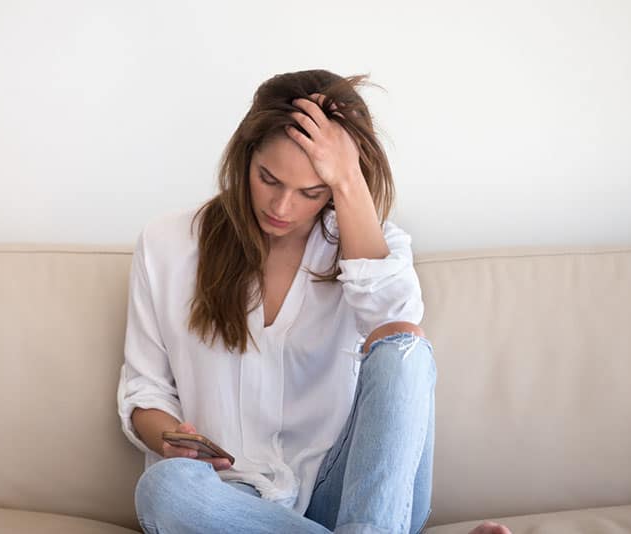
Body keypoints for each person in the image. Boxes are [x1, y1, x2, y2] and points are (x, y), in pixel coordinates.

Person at [117, 69, 511, 534]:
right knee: (165, 490)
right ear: (245, 156)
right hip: (234, 500)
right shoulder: (168, 245)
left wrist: (347, 179)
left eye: (311, 191)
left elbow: (397, 334)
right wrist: (170, 438)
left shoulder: (370, 247)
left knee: (403, 345)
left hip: (355, 494)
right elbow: (145, 391)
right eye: (268, 179)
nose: (282, 208)